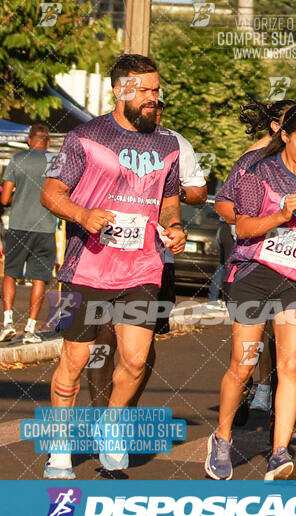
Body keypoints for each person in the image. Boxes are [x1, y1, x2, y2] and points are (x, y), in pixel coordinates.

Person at [40, 54, 187, 479]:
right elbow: (51, 193)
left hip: (142, 266)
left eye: (156, 90)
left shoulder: (167, 144)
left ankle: (111, 425)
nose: (152, 98)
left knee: (137, 360)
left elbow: (170, 198)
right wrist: (83, 216)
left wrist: (174, 226)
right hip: (86, 269)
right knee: (73, 360)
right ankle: (61, 450)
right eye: (143, 90)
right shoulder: (85, 136)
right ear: (119, 90)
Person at [205, 104, 296, 481]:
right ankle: (221, 438)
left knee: (289, 366)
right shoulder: (257, 169)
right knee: (245, 362)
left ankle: (280, 453)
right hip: (254, 273)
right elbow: (245, 227)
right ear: (284, 135)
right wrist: (280, 216)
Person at [86, 91, 207, 408]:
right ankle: (101, 411)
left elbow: (198, 192)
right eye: (145, 104)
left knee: (140, 343)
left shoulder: (175, 144)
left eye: (157, 106)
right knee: (102, 335)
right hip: (101, 253)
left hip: (153, 258)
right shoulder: (100, 136)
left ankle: (125, 406)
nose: (151, 111)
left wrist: (169, 192)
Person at [0, 123, 57, 344]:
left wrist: (20, 198)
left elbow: (4, 199)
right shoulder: (56, 161)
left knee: (11, 274)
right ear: (48, 141)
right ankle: (31, 330)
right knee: (39, 278)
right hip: (45, 228)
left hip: (19, 226)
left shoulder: (17, 160)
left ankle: (7, 324)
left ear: (29, 140)